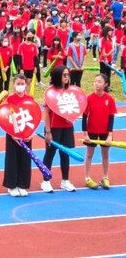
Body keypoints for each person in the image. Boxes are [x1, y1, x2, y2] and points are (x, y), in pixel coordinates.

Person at [41, 65, 76, 193]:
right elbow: (46, 113)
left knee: (65, 154)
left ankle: (65, 180)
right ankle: (45, 181)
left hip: (67, 127)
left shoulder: (71, 91)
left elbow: (75, 108)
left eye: (68, 75)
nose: (67, 77)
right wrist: (48, 131)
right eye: (64, 75)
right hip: (54, 128)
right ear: (57, 76)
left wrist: (72, 117)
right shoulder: (50, 92)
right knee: (50, 154)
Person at [82, 74, 116, 189]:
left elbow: (111, 117)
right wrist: (85, 133)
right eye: (95, 81)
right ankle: (87, 177)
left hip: (105, 131)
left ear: (105, 84)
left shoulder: (109, 99)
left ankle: (105, 177)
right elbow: (84, 116)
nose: (97, 83)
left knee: (105, 154)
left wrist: (110, 135)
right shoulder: (89, 98)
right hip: (91, 130)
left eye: (100, 82)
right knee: (89, 154)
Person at [3, 74, 34, 197]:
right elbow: (5, 117)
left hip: (26, 132)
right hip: (12, 133)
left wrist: (31, 133)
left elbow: (34, 116)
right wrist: (12, 134)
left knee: (25, 159)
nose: (20, 86)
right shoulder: (9, 99)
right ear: (13, 85)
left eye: (22, 84)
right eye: (18, 84)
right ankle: (12, 185)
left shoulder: (30, 99)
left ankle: (22, 185)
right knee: (12, 158)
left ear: (26, 84)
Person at [18, 29, 38, 93]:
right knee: (23, 82)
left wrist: (35, 67)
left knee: (29, 81)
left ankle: (27, 95)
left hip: (31, 66)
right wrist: (21, 68)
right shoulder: (21, 45)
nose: (30, 37)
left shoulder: (34, 46)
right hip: (24, 67)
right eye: (28, 35)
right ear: (25, 36)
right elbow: (19, 57)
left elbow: (35, 57)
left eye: (31, 36)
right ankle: (23, 94)